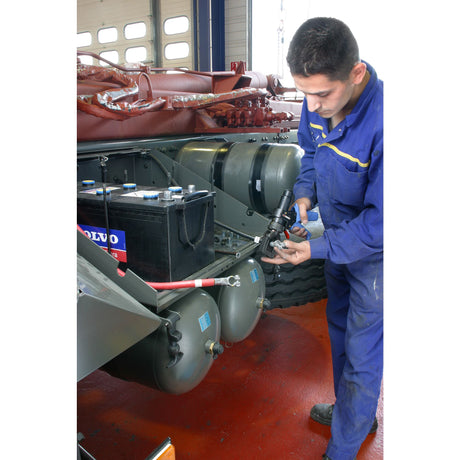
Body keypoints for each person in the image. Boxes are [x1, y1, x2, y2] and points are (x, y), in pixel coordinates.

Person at [261, 17, 383, 460]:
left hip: (374, 259)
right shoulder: (317, 103)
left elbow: (383, 223)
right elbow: (311, 153)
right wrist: (305, 195)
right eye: (304, 93)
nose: (312, 106)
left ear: (356, 73)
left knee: (362, 350)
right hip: (336, 243)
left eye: (322, 94)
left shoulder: (387, 124)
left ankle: (343, 448)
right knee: (340, 332)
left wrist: (314, 248)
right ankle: (355, 414)